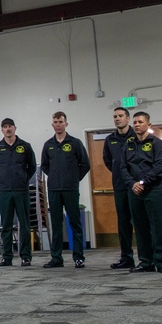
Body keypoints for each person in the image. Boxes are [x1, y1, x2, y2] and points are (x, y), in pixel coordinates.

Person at [119, 112, 162, 273]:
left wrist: (143, 182)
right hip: (135, 192)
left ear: (149, 125)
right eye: (135, 122)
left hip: (154, 190)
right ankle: (145, 262)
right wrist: (132, 184)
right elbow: (123, 167)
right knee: (140, 228)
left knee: (157, 228)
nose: (137, 124)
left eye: (140, 122)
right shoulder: (128, 144)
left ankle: (160, 262)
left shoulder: (157, 143)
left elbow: (159, 166)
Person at [39, 112, 90, 268]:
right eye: (55, 121)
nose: (58, 124)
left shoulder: (75, 143)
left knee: (74, 223)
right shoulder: (48, 145)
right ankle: (56, 258)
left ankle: (78, 257)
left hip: (70, 189)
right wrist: (55, 177)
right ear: (52, 124)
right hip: (54, 189)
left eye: (61, 121)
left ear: (66, 124)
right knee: (55, 224)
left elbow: (85, 165)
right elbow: (45, 166)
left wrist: (73, 179)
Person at [0, 118, 37, 267]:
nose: (8, 129)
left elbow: (32, 167)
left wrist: (23, 179)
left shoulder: (25, 146)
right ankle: (7, 257)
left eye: (10, 126)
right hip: (5, 191)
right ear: (2, 130)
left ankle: (25, 256)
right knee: (6, 225)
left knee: (24, 224)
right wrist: (5, 181)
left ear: (15, 128)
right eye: (5, 127)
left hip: (21, 190)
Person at [102, 107, 136, 269]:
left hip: (137, 186)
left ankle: (147, 257)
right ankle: (126, 257)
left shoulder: (137, 136)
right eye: (115, 116)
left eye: (121, 116)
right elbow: (108, 162)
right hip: (120, 186)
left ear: (128, 119)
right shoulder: (110, 140)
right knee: (123, 223)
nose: (117, 119)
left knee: (141, 222)